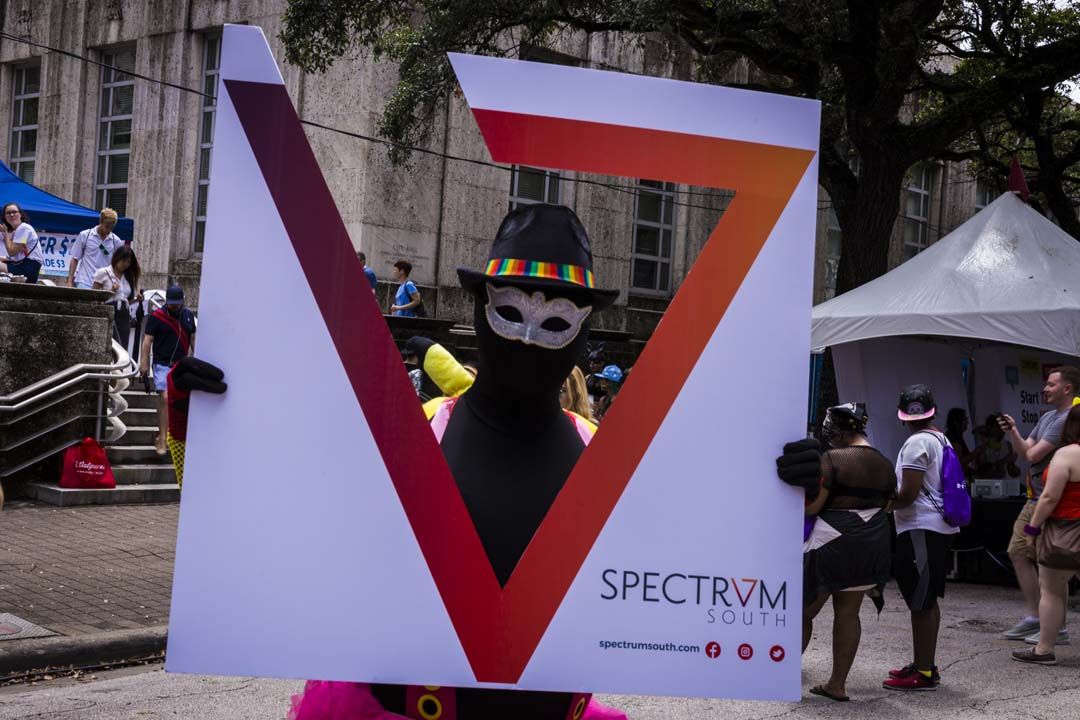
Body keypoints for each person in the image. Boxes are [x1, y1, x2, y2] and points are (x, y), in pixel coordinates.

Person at [290, 203, 625, 719]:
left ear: (582, 330)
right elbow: (295, 510)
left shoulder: (602, 458)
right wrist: (207, 415)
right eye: (510, 311)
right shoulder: (417, 435)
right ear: (479, 309)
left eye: (557, 320)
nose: (527, 339)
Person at [802, 403, 895, 702]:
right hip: (872, 543)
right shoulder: (885, 463)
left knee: (804, 611)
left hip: (832, 541)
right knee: (848, 613)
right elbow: (889, 505)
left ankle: (780, 673)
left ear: (842, 430)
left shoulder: (833, 458)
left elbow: (814, 507)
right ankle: (837, 684)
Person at [881, 384, 959, 691]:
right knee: (926, 598)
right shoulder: (940, 438)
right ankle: (924, 664)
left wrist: (884, 502)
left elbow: (908, 495)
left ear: (902, 416)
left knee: (920, 601)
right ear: (933, 412)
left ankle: (924, 672)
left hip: (920, 528)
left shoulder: (916, 443)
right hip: (934, 528)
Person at [998, 366, 1080, 645]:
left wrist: (1035, 526)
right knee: (1021, 554)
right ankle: (1040, 619)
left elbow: (1032, 455)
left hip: (1050, 501)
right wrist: (1013, 431)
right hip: (1037, 498)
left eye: (1051, 384)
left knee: (1053, 567)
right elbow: (1025, 451)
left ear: (1067, 388)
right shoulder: (1047, 417)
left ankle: (1053, 627)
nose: (1044, 389)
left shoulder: (1065, 419)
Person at [1013, 405, 1080, 665]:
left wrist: (1032, 528)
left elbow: (1050, 497)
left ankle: (1044, 649)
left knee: (1051, 590)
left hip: (1065, 530)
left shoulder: (1066, 454)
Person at [138, 286, 196, 456]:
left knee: (180, 401)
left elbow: (193, 340)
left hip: (181, 364)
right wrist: (144, 363)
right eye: (171, 303)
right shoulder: (157, 317)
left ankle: (173, 435)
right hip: (162, 364)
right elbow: (147, 341)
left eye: (177, 303)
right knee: (165, 397)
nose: (174, 306)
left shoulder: (188, 316)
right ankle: (163, 438)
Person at [92, 245, 140, 348]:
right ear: (117, 258)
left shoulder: (128, 277)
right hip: (109, 312)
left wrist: (137, 299)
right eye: (124, 261)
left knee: (122, 346)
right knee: (109, 345)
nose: (126, 264)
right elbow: (94, 297)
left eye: (129, 262)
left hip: (124, 315)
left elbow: (126, 300)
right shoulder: (103, 273)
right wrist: (111, 291)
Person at [67, 208, 124, 289]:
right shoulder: (85, 235)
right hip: (84, 282)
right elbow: (75, 259)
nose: (109, 230)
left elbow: (118, 265)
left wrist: (116, 282)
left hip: (104, 285)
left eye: (112, 228)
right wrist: (69, 281)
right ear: (101, 222)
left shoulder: (116, 241)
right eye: (107, 226)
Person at [1, 203, 42, 284]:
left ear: (20, 214)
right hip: (25, 266)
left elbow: (12, 252)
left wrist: (5, 234)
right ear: (5, 217)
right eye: (8, 213)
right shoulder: (18, 230)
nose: (12, 215)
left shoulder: (23, 228)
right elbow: (17, 254)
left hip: (27, 268)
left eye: (14, 212)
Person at [945, 408, 975, 478]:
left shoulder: (957, 436)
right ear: (956, 422)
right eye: (964, 419)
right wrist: (978, 450)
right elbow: (959, 462)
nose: (967, 422)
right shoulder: (953, 438)